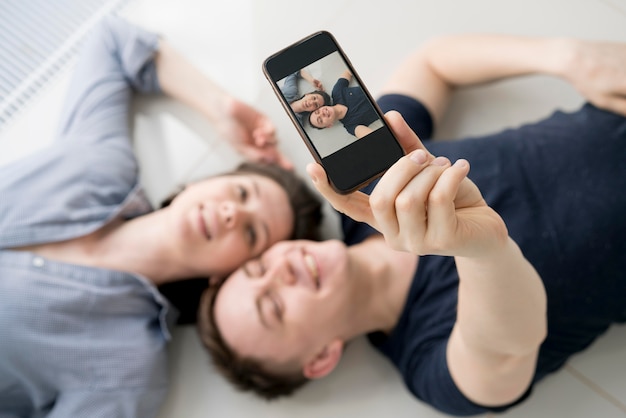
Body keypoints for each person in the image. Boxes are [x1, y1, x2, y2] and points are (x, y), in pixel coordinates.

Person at [198, 33, 626, 416]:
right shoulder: (431, 367)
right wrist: (484, 250)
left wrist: (565, 57)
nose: (280, 270)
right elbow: (509, 352)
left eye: (257, 268)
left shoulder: (364, 186)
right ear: (321, 358)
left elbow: (432, 63)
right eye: (273, 307)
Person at [0, 16, 322, 417]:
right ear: (198, 184)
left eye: (253, 233)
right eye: (241, 193)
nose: (230, 213)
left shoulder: (129, 368)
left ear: (228, 278)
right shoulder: (101, 167)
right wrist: (218, 107)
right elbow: (113, 40)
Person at [308, 69, 381, 138]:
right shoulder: (351, 126)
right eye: (320, 120)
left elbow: (348, 72)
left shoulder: (336, 92)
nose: (322, 114)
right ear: (329, 125)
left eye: (317, 111)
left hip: (380, 82)